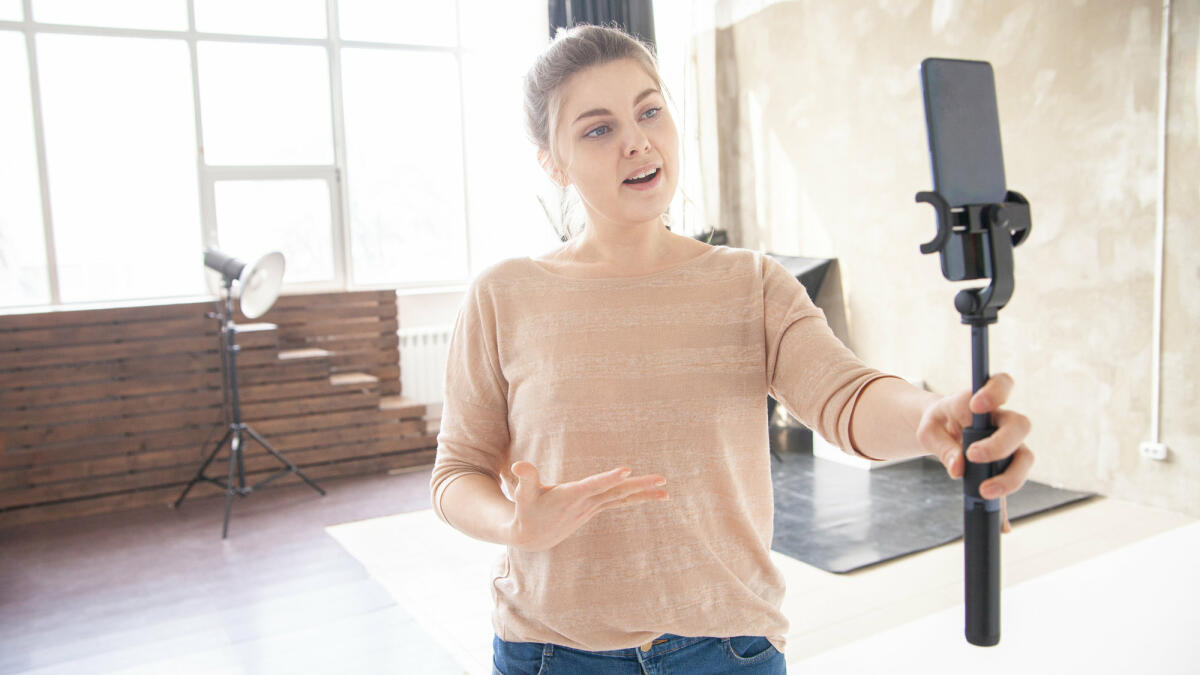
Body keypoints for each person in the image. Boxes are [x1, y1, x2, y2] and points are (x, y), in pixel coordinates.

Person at [429, 24, 1034, 675]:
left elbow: (846, 395)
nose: (637, 140)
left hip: (727, 649)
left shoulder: (752, 283)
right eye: (597, 128)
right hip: (551, 651)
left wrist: (924, 418)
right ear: (553, 159)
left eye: (650, 110)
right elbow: (456, 473)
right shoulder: (504, 295)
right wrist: (515, 523)